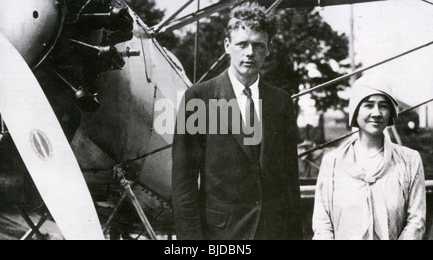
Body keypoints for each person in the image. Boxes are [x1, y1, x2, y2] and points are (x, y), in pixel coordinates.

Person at [172, 2, 303, 240]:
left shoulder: (281, 102)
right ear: (227, 46)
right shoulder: (199, 98)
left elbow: (290, 182)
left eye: (258, 45)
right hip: (220, 236)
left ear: (268, 48)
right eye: (242, 44)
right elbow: (184, 182)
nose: (250, 52)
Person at [312, 76, 426, 240]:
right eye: (368, 105)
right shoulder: (332, 162)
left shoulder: (410, 160)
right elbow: (322, 225)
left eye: (383, 106)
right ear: (355, 110)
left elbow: (416, 222)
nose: (377, 113)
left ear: (391, 112)